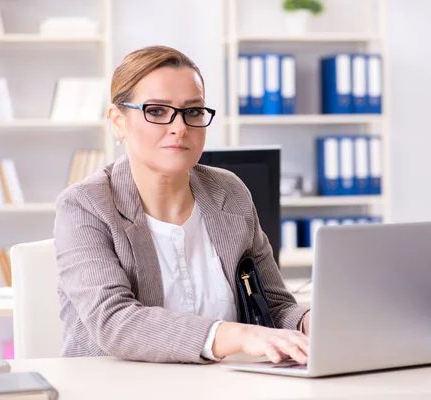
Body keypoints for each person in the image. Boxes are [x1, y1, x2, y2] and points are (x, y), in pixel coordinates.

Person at [53, 45, 310, 365]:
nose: (180, 127)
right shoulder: (85, 206)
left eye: (193, 111)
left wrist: (309, 323)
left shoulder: (230, 192)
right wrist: (238, 335)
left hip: (224, 389)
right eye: (157, 111)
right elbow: (115, 322)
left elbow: (272, 307)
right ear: (118, 121)